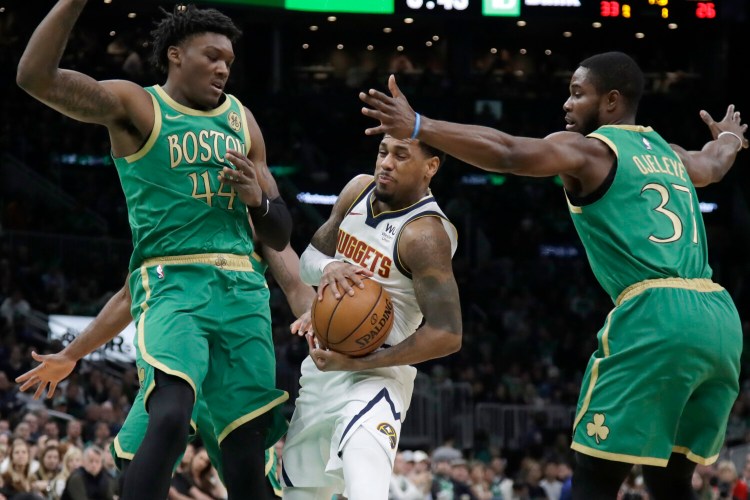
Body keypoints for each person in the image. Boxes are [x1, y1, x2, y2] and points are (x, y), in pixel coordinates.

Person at [359, 51, 747, 499]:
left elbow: (508, 152)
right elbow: (714, 163)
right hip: (720, 318)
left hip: (657, 315)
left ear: (611, 102)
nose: (567, 103)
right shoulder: (671, 154)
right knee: (670, 478)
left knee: (593, 477)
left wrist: (420, 126)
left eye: (578, 94)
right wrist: (731, 140)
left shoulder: (591, 150)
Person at [17, 2, 293, 499]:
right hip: (173, 284)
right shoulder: (139, 107)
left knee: (247, 462)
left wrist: (258, 201)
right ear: (175, 55)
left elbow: (277, 235)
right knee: (169, 416)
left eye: (228, 60)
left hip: (246, 292)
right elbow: (35, 78)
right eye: (211, 56)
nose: (223, 68)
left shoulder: (242, 120)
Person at [16, 239, 316, 498]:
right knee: (141, 458)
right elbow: (129, 293)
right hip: (180, 351)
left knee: (255, 480)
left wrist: (318, 319)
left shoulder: (252, 209)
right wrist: (71, 354)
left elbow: (295, 283)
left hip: (230, 360)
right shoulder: (175, 209)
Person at [282, 134, 463, 499]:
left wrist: (358, 362)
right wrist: (330, 275)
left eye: (401, 155)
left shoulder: (425, 235)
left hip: (379, 375)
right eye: (383, 152)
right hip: (323, 370)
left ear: (431, 167)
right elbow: (308, 263)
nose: (386, 163)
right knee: (301, 492)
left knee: (366, 484)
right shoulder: (358, 190)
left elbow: (447, 334)